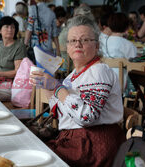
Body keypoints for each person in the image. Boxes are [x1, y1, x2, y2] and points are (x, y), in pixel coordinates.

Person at [30, 15, 125, 166]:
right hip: (78, 141)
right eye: (73, 40)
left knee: (35, 159)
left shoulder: (99, 71)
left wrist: (56, 86)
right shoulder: (73, 75)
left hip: (94, 145)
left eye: (85, 40)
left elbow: (87, 117)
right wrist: (47, 85)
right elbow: (63, 110)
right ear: (67, 47)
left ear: (97, 45)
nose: (78, 44)